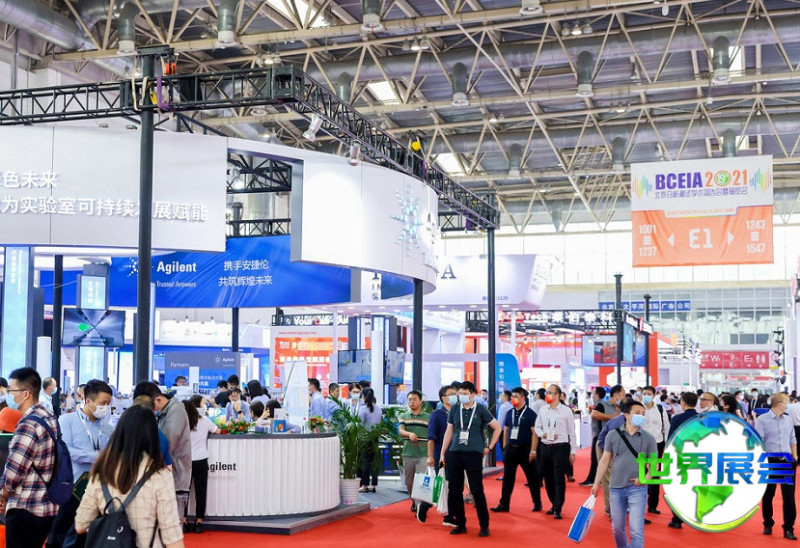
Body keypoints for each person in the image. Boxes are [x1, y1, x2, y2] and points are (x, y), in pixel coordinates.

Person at [74, 405, 185, 548]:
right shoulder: (160, 475)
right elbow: (171, 534)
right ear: (152, 435)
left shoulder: (102, 472)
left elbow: (81, 525)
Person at [50, 379, 115, 547]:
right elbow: (66, 451)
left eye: (108, 403)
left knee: (89, 533)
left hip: (97, 488)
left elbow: (112, 455)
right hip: (71, 486)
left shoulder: (107, 428)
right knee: (62, 531)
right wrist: (96, 457)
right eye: (102, 403)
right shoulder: (67, 420)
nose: (106, 407)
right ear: (88, 401)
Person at [0, 367, 58, 548]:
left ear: (25, 394)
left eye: (11, 390)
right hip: (47, 504)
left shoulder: (28, 424)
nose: (8, 395)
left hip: (25, 508)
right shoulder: (48, 416)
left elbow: (14, 472)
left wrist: (3, 495)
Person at [439, 380, 501, 537]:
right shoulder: (454, 409)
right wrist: (443, 453)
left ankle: (484, 525)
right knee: (455, 490)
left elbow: (497, 428)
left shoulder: (481, 410)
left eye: (465, 394)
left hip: (474, 454)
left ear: (473, 395)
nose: (461, 396)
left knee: (476, 490)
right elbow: (449, 432)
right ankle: (461, 524)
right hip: (455, 452)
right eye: (460, 393)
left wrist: (489, 447)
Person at [592, 400, 656, 548]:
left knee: (636, 530)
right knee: (617, 528)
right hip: (616, 487)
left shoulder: (649, 438)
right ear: (626, 415)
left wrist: (644, 479)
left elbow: (654, 466)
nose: (641, 416)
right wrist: (596, 483)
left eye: (643, 414)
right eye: (637, 413)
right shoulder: (612, 435)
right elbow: (604, 460)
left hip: (637, 489)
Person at [133, 382, 192, 523]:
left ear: (158, 400)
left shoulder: (176, 411)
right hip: (164, 476)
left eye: (148, 406)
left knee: (172, 526)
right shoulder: (165, 412)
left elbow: (166, 445)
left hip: (175, 478)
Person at [491, 387, 541, 513]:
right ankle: (504, 504)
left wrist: (533, 450)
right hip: (511, 450)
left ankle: (537, 503)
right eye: (512, 396)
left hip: (525, 450)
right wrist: (505, 447)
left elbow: (535, 433)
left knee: (532, 478)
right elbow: (506, 430)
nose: (513, 399)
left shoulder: (530, 414)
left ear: (523, 398)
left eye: (516, 397)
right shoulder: (510, 413)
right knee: (508, 478)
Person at [756, 392, 798, 540]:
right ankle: (768, 523)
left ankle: (789, 528)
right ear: (779, 404)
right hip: (770, 461)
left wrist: (795, 457)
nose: (788, 405)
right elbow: (758, 442)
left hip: (787, 461)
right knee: (769, 494)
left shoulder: (788, 419)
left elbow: (792, 438)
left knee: (789, 496)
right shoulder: (762, 420)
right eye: (786, 403)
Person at [533, 384, 577, 520]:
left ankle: (558, 507)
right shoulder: (543, 409)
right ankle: (553, 503)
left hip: (561, 447)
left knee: (559, 477)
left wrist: (573, 451)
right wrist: (543, 434)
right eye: (547, 392)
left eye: (551, 392)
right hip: (545, 446)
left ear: (558, 395)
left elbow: (572, 432)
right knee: (548, 478)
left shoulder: (566, 411)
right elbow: (537, 427)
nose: (548, 395)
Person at [417, 385, 457, 526]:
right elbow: (431, 437)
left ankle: (443, 513)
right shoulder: (437, 415)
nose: (455, 396)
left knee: (451, 486)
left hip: (457, 455)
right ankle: (431, 508)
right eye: (451, 394)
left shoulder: (458, 413)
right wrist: (430, 457)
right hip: (441, 456)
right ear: (444, 398)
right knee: (441, 485)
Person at [183, 396, 219, 534]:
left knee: (183, 492)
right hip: (201, 460)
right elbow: (217, 431)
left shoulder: (181, 422)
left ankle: (184, 521)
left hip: (185, 461)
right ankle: (199, 522)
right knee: (201, 491)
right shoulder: (204, 420)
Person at [666, 391, 699, 529]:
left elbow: (671, 440)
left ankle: (677, 519)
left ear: (683, 403)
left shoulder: (677, 419)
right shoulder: (703, 418)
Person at [399, 390, 429, 510]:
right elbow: (401, 430)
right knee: (409, 482)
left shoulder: (428, 417)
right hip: (408, 453)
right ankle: (414, 500)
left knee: (420, 481)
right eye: (410, 399)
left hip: (424, 454)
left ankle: (418, 504)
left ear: (420, 401)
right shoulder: (404, 416)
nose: (412, 402)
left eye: (414, 399)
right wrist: (410, 434)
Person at [641, 385, 669, 515]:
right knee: (639, 471)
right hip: (641, 443)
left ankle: (652, 505)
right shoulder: (638, 408)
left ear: (654, 395)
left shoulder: (660, 409)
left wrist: (667, 443)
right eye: (644, 393)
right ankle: (638, 502)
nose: (646, 396)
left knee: (655, 473)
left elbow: (666, 427)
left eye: (649, 394)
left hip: (657, 443)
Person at [133, 396, 174, 471]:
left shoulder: (124, 433)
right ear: (153, 412)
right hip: (153, 475)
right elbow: (168, 467)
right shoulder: (160, 436)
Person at [580, 386, 610, 487]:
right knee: (597, 458)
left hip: (598, 435)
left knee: (595, 458)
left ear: (597, 394)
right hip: (598, 434)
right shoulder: (599, 404)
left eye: (593, 393)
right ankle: (597, 478)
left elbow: (597, 417)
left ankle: (592, 479)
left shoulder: (600, 405)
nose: (592, 394)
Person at [358, 388, 382, 493]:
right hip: (375, 438)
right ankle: (374, 485)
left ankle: (364, 485)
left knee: (365, 462)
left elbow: (360, 424)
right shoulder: (378, 409)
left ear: (363, 396)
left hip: (365, 439)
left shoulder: (363, 409)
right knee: (374, 462)